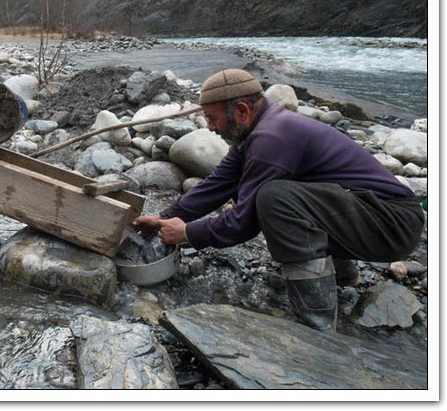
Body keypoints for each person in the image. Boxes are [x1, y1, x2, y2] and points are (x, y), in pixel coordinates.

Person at [133, 68, 424, 330]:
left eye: (212, 118)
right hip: (372, 216)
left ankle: (318, 323)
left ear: (242, 111)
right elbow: (217, 183)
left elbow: (243, 222)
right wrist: (166, 217)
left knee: (274, 198)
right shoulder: (258, 132)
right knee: (284, 197)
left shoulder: (272, 138)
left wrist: (188, 233)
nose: (209, 127)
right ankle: (341, 275)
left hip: (392, 224)